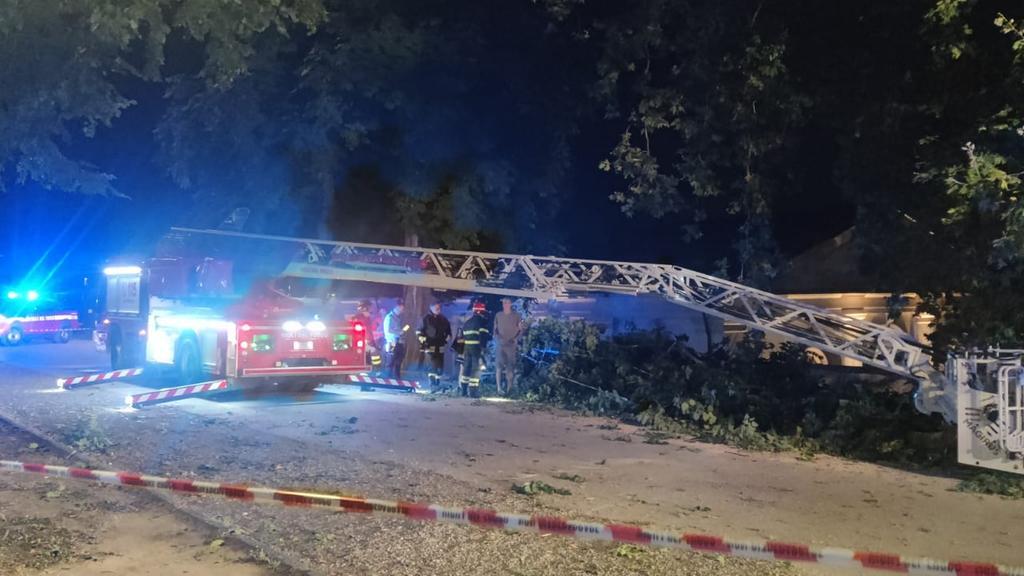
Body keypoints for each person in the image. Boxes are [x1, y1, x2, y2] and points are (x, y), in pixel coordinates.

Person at [418, 302, 452, 392]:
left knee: (440, 366)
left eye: (439, 308)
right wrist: (423, 342)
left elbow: (448, 331)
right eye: (436, 308)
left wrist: (448, 337)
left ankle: (437, 383)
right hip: (430, 345)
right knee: (432, 365)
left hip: (440, 345)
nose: (439, 310)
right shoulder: (425, 319)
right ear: (431, 308)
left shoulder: (443, 319)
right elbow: (419, 332)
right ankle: (432, 384)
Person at [459, 300, 490, 398]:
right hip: (477, 348)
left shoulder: (467, 322)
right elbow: (482, 337)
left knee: (467, 368)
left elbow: (462, 337)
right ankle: (473, 392)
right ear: (480, 311)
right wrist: (483, 349)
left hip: (467, 348)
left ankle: (463, 391)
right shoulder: (481, 322)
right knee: (476, 369)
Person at [492, 297, 523, 395]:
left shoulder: (516, 316)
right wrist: (497, 338)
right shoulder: (498, 315)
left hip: (511, 346)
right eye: (503, 303)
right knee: (499, 367)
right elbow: (495, 330)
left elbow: (521, 329)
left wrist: (516, 339)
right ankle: (499, 389)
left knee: (510, 367)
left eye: (506, 302)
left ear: (510, 304)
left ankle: (509, 389)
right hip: (500, 345)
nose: (504, 304)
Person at [383, 299, 407, 379]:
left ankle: (397, 378)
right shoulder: (390, 317)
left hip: (398, 342)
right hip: (392, 342)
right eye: (402, 309)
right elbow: (389, 330)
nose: (403, 311)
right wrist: (399, 332)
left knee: (398, 361)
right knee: (390, 362)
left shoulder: (397, 318)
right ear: (398, 307)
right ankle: (388, 378)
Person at [356, 300, 383, 370]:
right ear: (365, 309)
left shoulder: (366, 318)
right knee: (374, 352)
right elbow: (357, 333)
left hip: (369, 341)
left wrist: (372, 341)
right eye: (370, 309)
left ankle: (374, 369)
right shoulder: (359, 319)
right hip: (363, 342)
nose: (371, 312)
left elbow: (369, 331)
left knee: (373, 354)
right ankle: (376, 369)